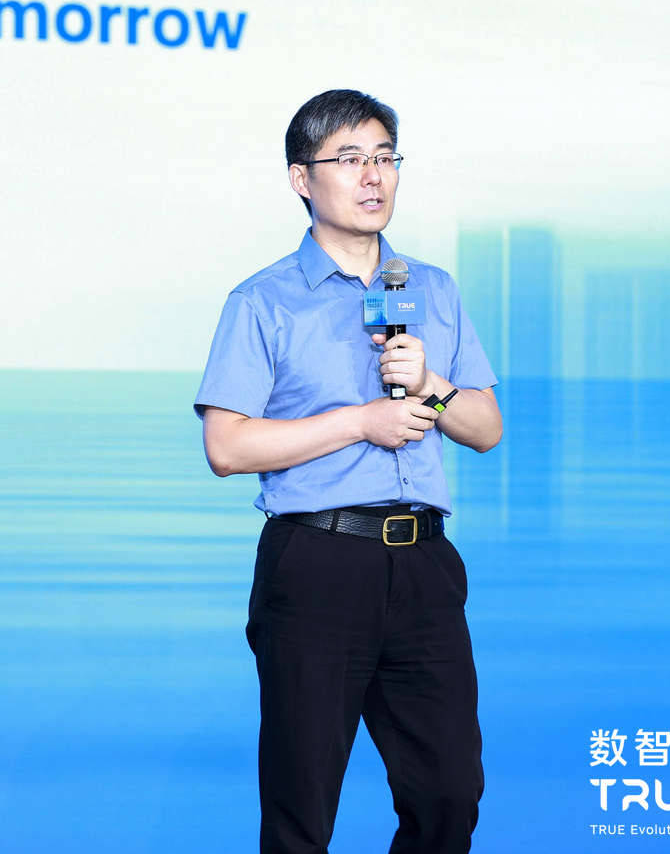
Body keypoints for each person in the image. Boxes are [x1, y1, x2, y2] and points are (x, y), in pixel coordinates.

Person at [193, 89, 503, 854]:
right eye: (351, 158)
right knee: (302, 807)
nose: (373, 176)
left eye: (385, 158)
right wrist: (359, 422)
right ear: (302, 178)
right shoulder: (263, 301)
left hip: (424, 564)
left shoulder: (430, 289)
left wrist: (431, 383)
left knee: (449, 794)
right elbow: (226, 446)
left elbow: (486, 429)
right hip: (318, 563)